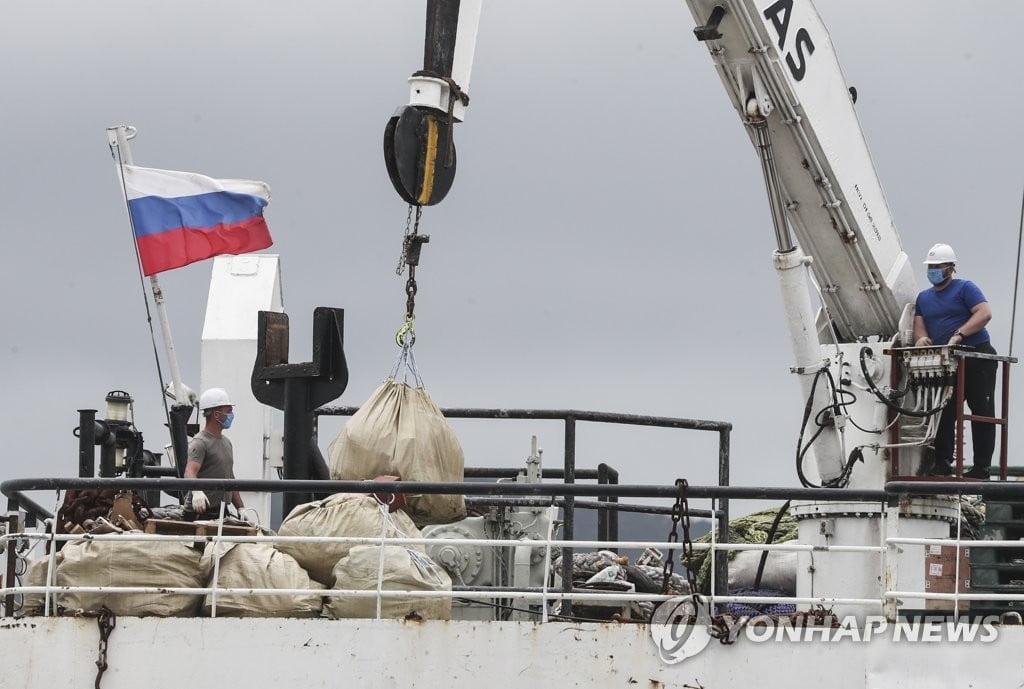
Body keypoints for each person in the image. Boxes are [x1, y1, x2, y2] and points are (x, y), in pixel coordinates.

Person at [913, 243, 996, 479]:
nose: (932, 271)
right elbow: (920, 326)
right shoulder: (924, 298)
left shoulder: (965, 288)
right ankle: (943, 463)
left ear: (950, 268)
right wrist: (922, 340)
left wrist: (960, 333)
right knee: (944, 410)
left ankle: (981, 467)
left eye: (937, 267)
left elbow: (984, 313)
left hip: (976, 355)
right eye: (930, 267)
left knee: (982, 410)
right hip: (948, 360)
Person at [185, 387, 245, 516]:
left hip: (221, 510)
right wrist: (196, 492)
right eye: (228, 411)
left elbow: (230, 478)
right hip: (199, 512)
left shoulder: (227, 442)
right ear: (216, 414)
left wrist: (241, 508)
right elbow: (190, 471)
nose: (231, 415)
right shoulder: (200, 442)